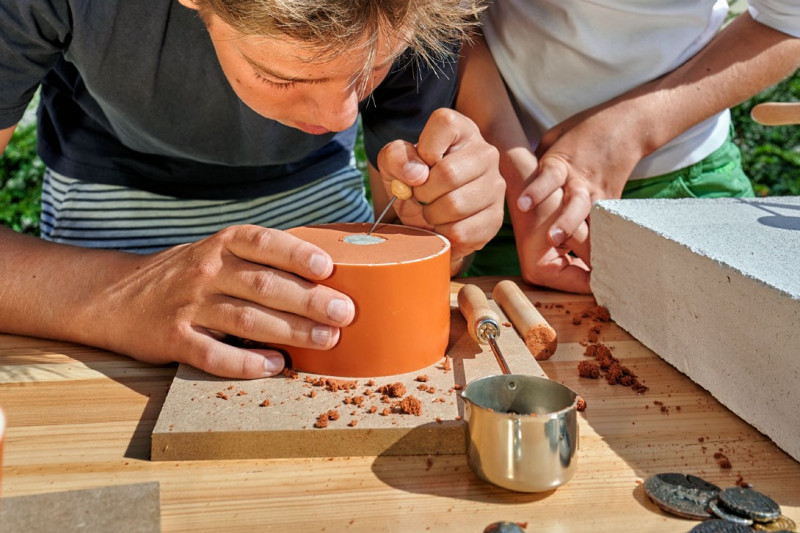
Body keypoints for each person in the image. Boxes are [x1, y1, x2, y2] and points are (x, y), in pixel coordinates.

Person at [0, 0, 504, 379]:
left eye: (371, 68)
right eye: (282, 78)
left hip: (321, 207)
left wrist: (443, 223)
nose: (341, 118)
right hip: (95, 239)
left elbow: (400, 233)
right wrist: (117, 299)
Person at [456, 0, 800, 293]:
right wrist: (518, 175)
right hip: (501, 189)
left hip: (686, 186)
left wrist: (634, 129)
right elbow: (446, 15)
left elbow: (787, 20)